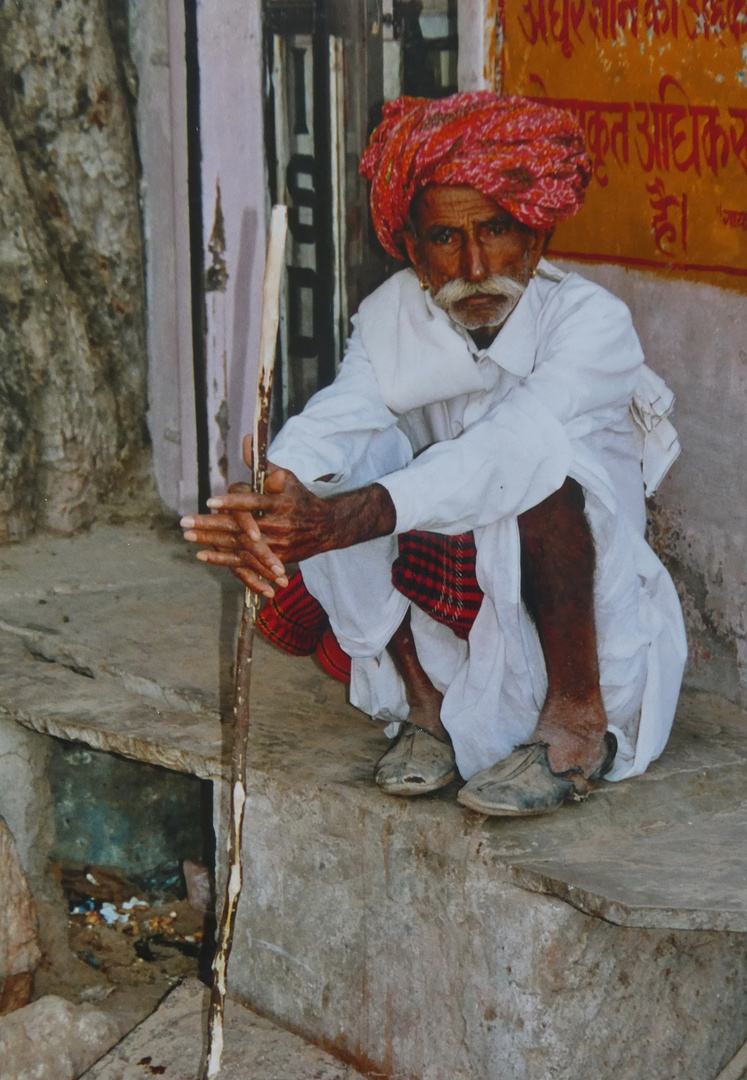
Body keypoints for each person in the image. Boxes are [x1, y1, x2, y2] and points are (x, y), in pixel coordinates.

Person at [181, 92, 687, 817]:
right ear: (414, 254)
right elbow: (345, 412)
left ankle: (576, 728)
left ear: (535, 240)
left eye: (495, 231)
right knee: (332, 470)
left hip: (580, 625)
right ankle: (425, 709)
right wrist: (279, 490)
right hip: (453, 610)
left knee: (545, 482)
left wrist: (355, 515)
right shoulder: (394, 312)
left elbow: (512, 450)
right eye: (446, 240)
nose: (475, 264)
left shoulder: (591, 324)